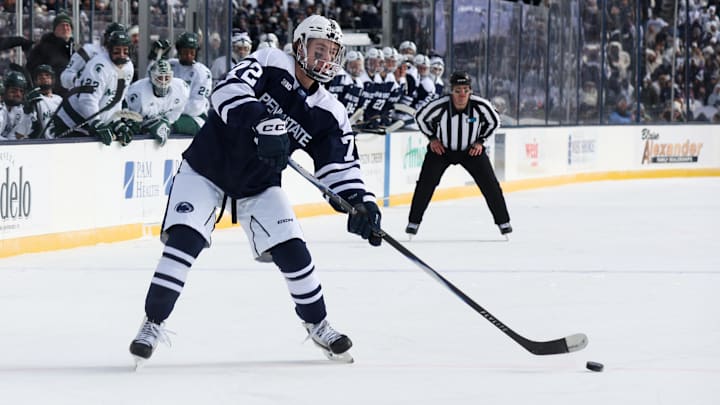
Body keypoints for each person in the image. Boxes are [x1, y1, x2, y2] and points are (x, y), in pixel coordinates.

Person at [128, 15, 382, 364]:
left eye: (332, 51)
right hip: (207, 168)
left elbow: (338, 166)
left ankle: (317, 323)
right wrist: (263, 120)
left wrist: (359, 202)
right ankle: (153, 322)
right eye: (318, 48)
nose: (326, 58)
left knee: (294, 251)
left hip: (259, 185)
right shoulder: (270, 61)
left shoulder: (329, 111)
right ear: (299, 46)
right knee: (185, 242)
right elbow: (226, 91)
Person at [406, 71, 511, 237]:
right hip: (441, 151)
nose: (462, 94)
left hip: (470, 151)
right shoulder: (440, 105)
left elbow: (495, 122)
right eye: (457, 90)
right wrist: (432, 138)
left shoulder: (480, 105)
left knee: (491, 186)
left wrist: (480, 141)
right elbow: (420, 117)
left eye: (465, 90)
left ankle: (504, 223)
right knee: (425, 185)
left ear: (470, 90)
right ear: (451, 91)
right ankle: (413, 223)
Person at [50, 30, 135, 145]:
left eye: (125, 51)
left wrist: (116, 122)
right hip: (71, 121)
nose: (121, 55)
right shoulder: (99, 66)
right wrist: (97, 123)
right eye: (116, 51)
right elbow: (87, 100)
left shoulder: (129, 67)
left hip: (89, 123)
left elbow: (117, 99)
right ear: (109, 50)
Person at [125, 59, 190, 146]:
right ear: (151, 77)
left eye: (166, 78)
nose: (163, 82)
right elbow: (128, 117)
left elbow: (174, 116)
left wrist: (164, 122)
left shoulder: (181, 89)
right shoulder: (138, 92)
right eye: (160, 78)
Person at [61, 22, 126, 90]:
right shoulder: (88, 51)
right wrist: (79, 80)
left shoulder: (126, 59)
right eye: (115, 38)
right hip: (83, 97)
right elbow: (65, 78)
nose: (118, 42)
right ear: (106, 36)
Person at [26, 13, 75, 97]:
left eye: (68, 25)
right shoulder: (42, 48)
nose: (65, 28)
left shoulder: (74, 51)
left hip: (70, 97)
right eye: (62, 25)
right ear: (55, 29)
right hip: (50, 97)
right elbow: (31, 71)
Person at [17, 65, 63, 139]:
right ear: (36, 81)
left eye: (47, 75)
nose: (44, 77)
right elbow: (20, 133)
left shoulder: (59, 99)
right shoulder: (34, 100)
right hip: (42, 143)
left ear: (52, 79)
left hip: (61, 141)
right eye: (40, 76)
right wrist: (28, 110)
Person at [0, 71, 28, 140]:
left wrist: (28, 117)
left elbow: (13, 136)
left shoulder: (19, 110)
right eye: (13, 91)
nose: (18, 94)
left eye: (21, 91)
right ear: (4, 90)